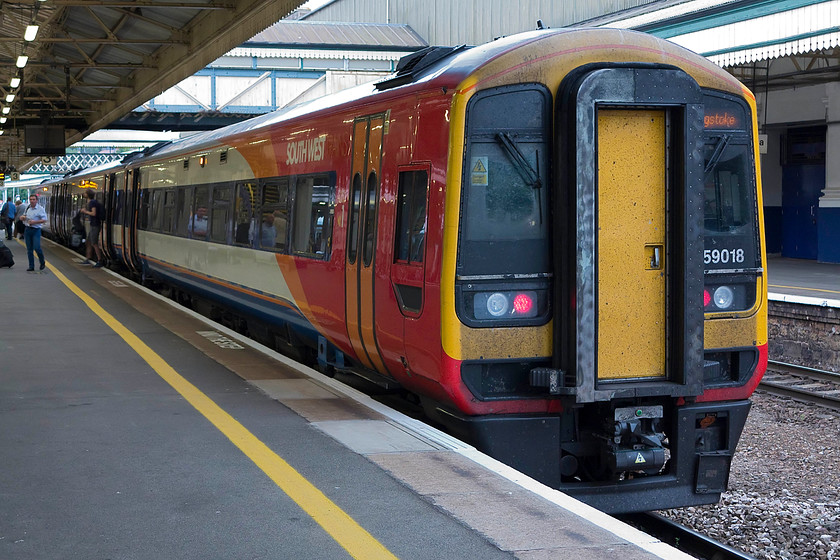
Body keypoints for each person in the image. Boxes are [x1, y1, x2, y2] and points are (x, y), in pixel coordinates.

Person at [21, 194, 46, 271]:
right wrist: (22, 217)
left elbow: (44, 220)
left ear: (36, 200)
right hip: (27, 229)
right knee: (29, 249)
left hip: (36, 230)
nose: (32, 201)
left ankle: (42, 262)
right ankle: (31, 266)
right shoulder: (27, 207)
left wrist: (35, 222)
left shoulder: (40, 209)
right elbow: (24, 215)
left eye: (33, 199)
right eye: (31, 199)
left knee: (37, 247)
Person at [79, 190, 105, 267]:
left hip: (95, 225)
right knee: (89, 242)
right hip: (93, 225)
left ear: (88, 195)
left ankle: (100, 260)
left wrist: (85, 211)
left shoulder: (92, 203)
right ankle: (88, 258)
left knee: (94, 243)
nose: (84, 194)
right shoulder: (91, 202)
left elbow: (94, 213)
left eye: (85, 193)